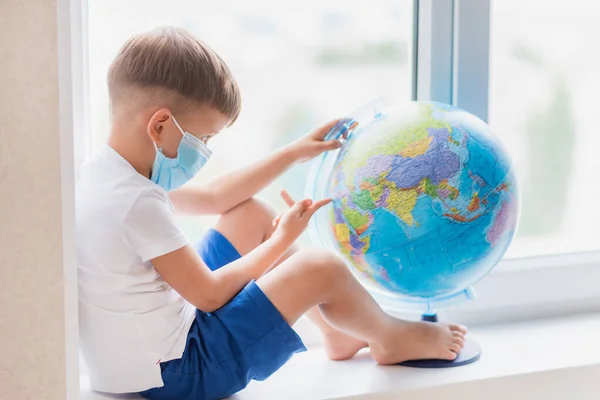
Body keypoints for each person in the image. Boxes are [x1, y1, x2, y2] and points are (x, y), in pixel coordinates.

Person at [76, 26, 467, 400]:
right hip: (181, 371)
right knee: (319, 267)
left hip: (146, 355)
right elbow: (209, 295)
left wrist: (294, 152)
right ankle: (390, 337)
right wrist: (283, 239)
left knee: (250, 213)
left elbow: (215, 197)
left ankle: (339, 334)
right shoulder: (137, 203)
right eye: (204, 138)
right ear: (160, 124)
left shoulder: (106, 174)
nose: (206, 150)